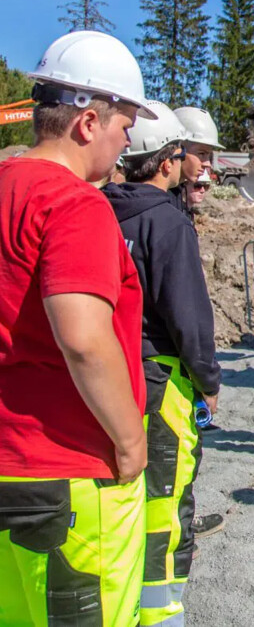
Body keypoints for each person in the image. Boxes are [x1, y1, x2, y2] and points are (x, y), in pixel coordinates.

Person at [0, 30, 154, 626]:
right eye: (124, 129)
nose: (125, 145)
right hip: (70, 471)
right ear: (89, 123)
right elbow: (85, 339)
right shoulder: (75, 203)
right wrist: (129, 440)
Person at [102, 100, 222, 626]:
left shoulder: (98, 210)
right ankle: (161, 612)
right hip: (162, 376)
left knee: (125, 496)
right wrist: (209, 379)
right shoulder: (167, 225)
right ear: (170, 158)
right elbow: (189, 318)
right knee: (166, 501)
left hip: (114, 373)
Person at [173, 106, 226, 540]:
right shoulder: (168, 220)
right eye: (201, 155)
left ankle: (179, 521)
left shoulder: (175, 213)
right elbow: (184, 310)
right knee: (175, 455)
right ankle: (177, 532)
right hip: (169, 367)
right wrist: (207, 376)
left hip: (171, 364)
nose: (208, 166)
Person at [172, 107, 223, 213]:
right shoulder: (163, 205)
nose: (207, 163)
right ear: (177, 149)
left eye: (208, 155)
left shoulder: (176, 198)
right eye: (201, 153)